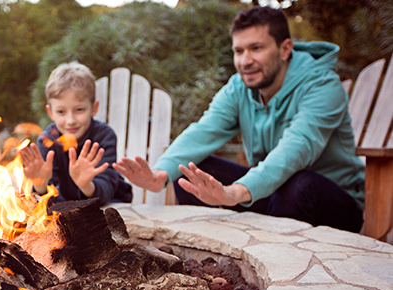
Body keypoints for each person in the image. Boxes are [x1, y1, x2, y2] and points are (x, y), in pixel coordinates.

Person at [113, 6, 365, 233]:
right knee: (191, 172)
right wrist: (159, 175)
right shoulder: (239, 88)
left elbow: (297, 148)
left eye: (256, 48)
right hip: (274, 195)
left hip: (333, 205)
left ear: (285, 49)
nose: (245, 61)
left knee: (299, 184)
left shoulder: (323, 85)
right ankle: (210, 261)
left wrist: (234, 192)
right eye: (239, 51)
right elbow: (204, 131)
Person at [19, 61, 132, 205]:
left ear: (94, 108)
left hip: (110, 206)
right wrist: (40, 184)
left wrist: (86, 184)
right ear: (50, 112)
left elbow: (107, 186)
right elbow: (46, 200)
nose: (70, 120)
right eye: (61, 112)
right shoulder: (47, 141)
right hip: (69, 209)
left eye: (79, 110)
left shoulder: (104, 136)